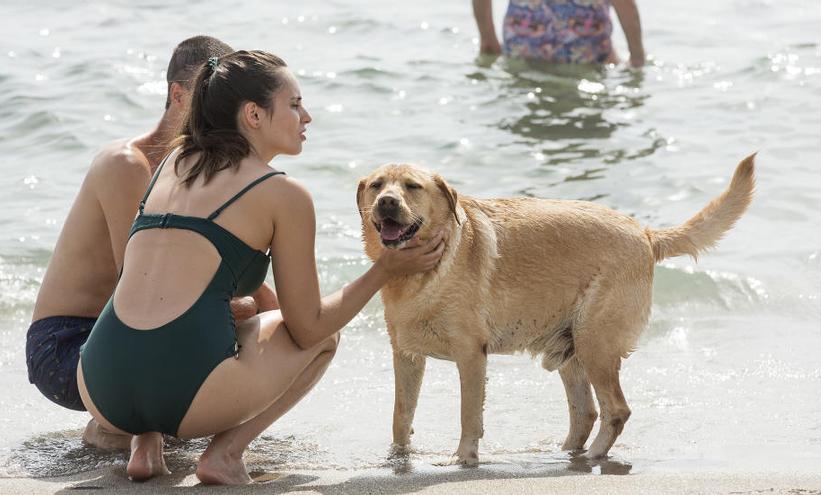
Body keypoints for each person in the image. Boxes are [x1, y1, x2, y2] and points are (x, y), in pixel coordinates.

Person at [76, 50, 445, 484]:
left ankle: (145, 443)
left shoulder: (172, 164)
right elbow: (307, 327)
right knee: (325, 337)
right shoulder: (282, 194)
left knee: (185, 309)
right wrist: (385, 269)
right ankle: (225, 456)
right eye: (294, 104)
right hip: (181, 396)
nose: (306, 116)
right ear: (253, 114)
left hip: (100, 384)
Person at [25, 36, 262, 451]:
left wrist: (297, 323)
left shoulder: (197, 172)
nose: (221, 114)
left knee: (263, 320)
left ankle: (147, 423)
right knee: (234, 313)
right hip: (64, 346)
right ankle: (117, 424)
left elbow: (228, 271)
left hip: (127, 335)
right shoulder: (126, 165)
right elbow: (138, 289)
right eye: (210, 96)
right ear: (178, 94)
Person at [472, 0, 645, 67]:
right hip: (584, 52)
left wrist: (487, 37)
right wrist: (637, 56)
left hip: (525, 45)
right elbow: (625, 4)